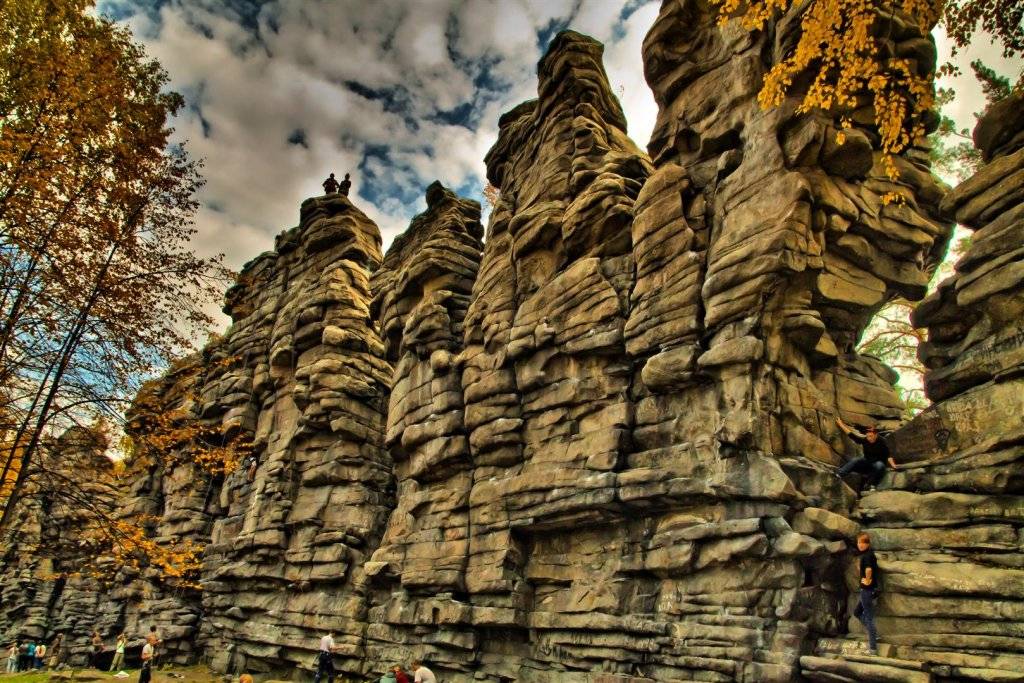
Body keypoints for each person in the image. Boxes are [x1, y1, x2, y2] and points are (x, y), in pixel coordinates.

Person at [835, 417, 896, 490]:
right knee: (856, 460)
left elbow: (888, 455)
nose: (869, 438)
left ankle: (872, 485)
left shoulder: (882, 441)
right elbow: (852, 436)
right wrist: (841, 424)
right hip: (867, 462)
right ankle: (839, 474)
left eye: (871, 436)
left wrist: (893, 465)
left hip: (878, 465)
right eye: (867, 436)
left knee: (879, 465)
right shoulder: (865, 440)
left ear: (876, 435)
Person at [853, 532, 881, 654]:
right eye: (858, 542)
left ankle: (873, 648)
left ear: (867, 544)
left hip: (867, 591)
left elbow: (869, 569)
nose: (860, 545)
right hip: (869, 590)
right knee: (857, 612)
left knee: (869, 618)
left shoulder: (867, 556)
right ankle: (874, 634)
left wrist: (868, 580)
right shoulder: (869, 554)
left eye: (862, 543)